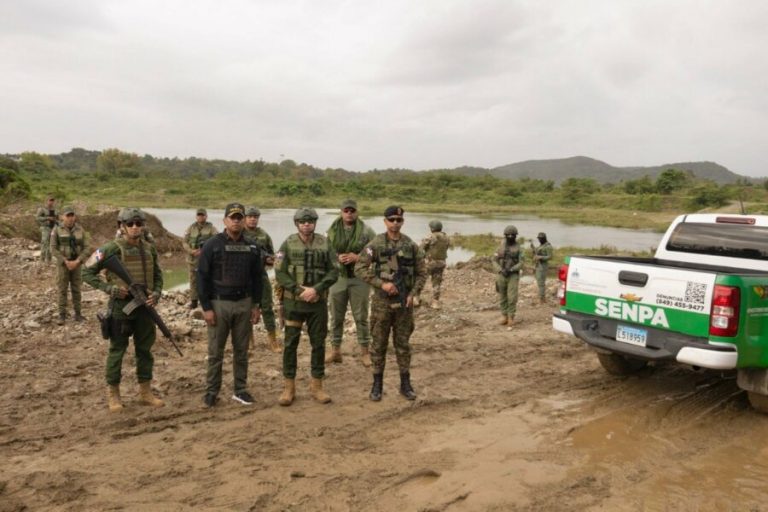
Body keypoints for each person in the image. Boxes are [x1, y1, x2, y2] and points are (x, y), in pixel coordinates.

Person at [82, 208, 165, 413]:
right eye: (130, 224)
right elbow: (86, 271)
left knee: (144, 351)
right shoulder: (111, 248)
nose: (135, 227)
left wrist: (156, 293)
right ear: (121, 226)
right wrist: (109, 288)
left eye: (139, 223)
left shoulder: (149, 249)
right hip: (122, 308)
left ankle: (145, 391)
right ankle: (114, 394)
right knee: (117, 351)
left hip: (145, 307)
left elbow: (158, 275)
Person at [355, 206, 426, 402]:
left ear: (402, 222)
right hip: (382, 303)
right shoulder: (376, 244)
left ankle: (405, 383)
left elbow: (422, 272)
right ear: (385, 221)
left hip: (404, 304)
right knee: (378, 344)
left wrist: (414, 293)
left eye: (399, 220)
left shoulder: (410, 245)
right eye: (391, 219)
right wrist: (381, 284)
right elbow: (360, 268)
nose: (395, 223)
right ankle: (377, 385)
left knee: (403, 345)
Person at [197, 203, 263, 408]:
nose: (236, 221)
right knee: (215, 351)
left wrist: (256, 305)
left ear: (243, 220)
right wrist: (206, 307)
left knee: (241, 351)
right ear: (225, 220)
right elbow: (201, 278)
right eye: (232, 217)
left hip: (244, 303)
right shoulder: (211, 245)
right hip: (219, 304)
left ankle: (240, 390)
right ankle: (211, 392)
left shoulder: (252, 247)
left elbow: (258, 278)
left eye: (239, 217)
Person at [274, 207, 338, 406]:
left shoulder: (325, 243)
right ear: (297, 223)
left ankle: (317, 385)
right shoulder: (288, 243)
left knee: (318, 343)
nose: (306, 224)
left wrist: (316, 289)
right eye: (302, 221)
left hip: (317, 303)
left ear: (315, 223)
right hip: (294, 303)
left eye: (310, 221)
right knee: (290, 344)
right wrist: (299, 290)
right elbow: (280, 272)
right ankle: (288, 387)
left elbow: (334, 271)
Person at [326, 199, 376, 366]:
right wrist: (336, 257)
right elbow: (324, 252)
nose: (349, 213)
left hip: (359, 278)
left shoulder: (367, 231)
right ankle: (335, 351)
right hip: (338, 278)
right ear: (341, 212)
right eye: (346, 211)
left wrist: (358, 258)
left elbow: (376, 253)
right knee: (336, 317)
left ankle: (365, 352)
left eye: (352, 211)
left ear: (357, 212)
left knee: (361, 316)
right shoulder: (331, 231)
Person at [243, 206, 281, 353]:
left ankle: (273, 341)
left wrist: (271, 260)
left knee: (267, 307)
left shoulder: (264, 235)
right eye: (250, 216)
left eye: (255, 217)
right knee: (245, 308)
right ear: (245, 218)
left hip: (261, 275)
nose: (253, 219)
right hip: (243, 277)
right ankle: (249, 341)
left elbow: (273, 255)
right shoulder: (240, 234)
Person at [50, 206, 91, 325]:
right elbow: (53, 248)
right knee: (62, 289)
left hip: (77, 264)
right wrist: (65, 261)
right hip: (63, 265)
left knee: (76, 290)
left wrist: (78, 261)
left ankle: (78, 314)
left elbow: (87, 247)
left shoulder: (80, 230)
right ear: (63, 217)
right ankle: (62, 315)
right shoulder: (57, 230)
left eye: (72, 215)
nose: (70, 218)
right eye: (68, 215)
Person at [182, 208, 218, 309]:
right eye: (199, 215)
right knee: (193, 280)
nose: (200, 217)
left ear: (206, 216)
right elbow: (184, 241)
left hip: (207, 259)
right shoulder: (190, 228)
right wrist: (191, 251)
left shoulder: (211, 228)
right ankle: (193, 302)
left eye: (202, 215)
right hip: (193, 260)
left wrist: (205, 251)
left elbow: (217, 241)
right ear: (196, 216)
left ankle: (207, 301)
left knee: (207, 280)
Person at [494, 225, 524, 326]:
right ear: (505, 235)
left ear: (515, 236)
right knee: (502, 296)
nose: (510, 237)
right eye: (508, 235)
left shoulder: (519, 247)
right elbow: (494, 260)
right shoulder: (500, 246)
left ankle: (511, 316)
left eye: (513, 235)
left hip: (513, 275)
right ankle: (504, 316)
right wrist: (500, 270)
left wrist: (512, 269)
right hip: (501, 274)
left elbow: (521, 262)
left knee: (512, 297)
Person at [418, 219, 451, 309]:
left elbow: (420, 249)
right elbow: (446, 247)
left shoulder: (431, 237)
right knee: (437, 283)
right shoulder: (446, 237)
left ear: (432, 228)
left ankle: (415, 299)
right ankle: (435, 302)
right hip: (441, 262)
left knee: (420, 279)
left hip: (430, 262)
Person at [532, 232, 554, 304]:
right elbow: (538, 252)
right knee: (539, 282)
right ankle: (541, 297)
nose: (539, 240)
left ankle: (542, 299)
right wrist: (533, 249)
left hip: (543, 266)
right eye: (539, 238)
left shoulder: (548, 246)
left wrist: (540, 257)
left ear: (544, 238)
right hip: (538, 265)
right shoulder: (541, 245)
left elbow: (550, 257)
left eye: (540, 238)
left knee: (541, 282)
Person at [35, 195, 58, 263]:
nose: (51, 202)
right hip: (45, 227)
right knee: (45, 242)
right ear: (46, 201)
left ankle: (48, 259)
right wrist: (47, 218)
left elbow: (57, 218)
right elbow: (37, 218)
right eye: (50, 200)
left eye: (52, 201)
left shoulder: (55, 209)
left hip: (53, 228)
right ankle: (42, 258)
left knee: (51, 243)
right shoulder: (42, 209)